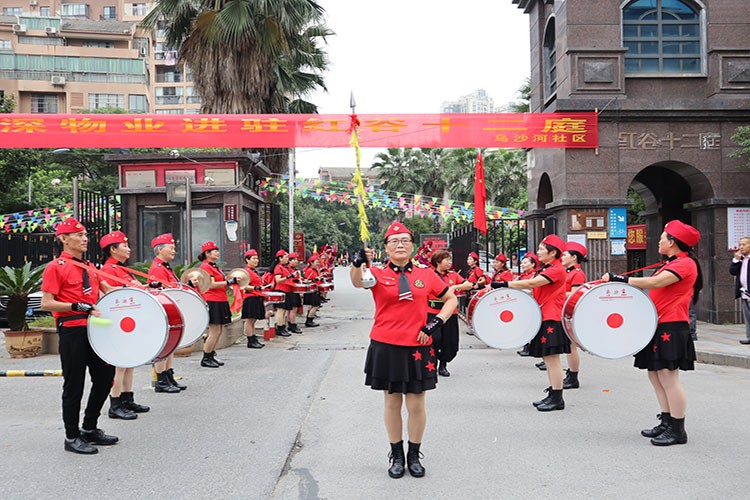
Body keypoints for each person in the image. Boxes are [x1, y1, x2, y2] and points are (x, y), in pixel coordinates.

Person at [351, 221, 457, 479]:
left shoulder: (426, 274)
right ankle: (396, 454)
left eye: (405, 241)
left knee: (417, 403)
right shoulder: (375, 272)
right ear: (386, 247)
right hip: (386, 344)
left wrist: (435, 323)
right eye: (394, 241)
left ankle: (414, 454)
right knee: (391, 401)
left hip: (418, 346)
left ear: (412, 246)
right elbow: (358, 284)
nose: (400, 245)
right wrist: (356, 264)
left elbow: (450, 298)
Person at [603, 220, 702, 446]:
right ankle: (666, 421)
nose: (659, 241)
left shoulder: (685, 264)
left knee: (668, 377)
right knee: (655, 375)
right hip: (658, 324)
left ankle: (678, 429)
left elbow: (655, 283)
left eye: (662, 237)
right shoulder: (671, 262)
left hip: (672, 326)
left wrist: (621, 279)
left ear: (674, 242)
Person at [41, 217, 118, 455]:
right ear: (63, 239)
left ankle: (89, 428)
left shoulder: (90, 267)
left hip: (96, 329)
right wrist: (78, 306)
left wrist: (142, 289)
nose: (85, 238)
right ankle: (71, 436)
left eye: (85, 234)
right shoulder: (56, 267)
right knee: (74, 385)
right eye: (78, 235)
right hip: (73, 330)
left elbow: (110, 290)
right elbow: (47, 303)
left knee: (106, 377)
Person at [491, 234, 570, 411]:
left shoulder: (556, 269)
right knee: (548, 359)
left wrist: (502, 284)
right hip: (544, 315)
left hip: (552, 317)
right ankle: (553, 393)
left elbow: (533, 283)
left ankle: (558, 398)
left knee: (552, 359)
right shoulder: (549, 267)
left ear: (553, 252)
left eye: (542, 249)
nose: (538, 252)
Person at [99, 231, 150, 419]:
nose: (129, 249)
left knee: (129, 362)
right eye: (124, 246)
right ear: (113, 249)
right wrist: (129, 288)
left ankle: (128, 399)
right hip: (117, 323)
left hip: (129, 321)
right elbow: (110, 294)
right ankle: (115, 403)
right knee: (120, 364)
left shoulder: (122, 269)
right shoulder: (108, 270)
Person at [148, 233, 186, 392]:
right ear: (160, 250)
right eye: (171, 248)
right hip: (163, 311)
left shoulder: (165, 267)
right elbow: (159, 291)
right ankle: (161, 380)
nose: (174, 251)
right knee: (164, 347)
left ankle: (168, 376)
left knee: (170, 346)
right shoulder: (157, 268)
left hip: (170, 311)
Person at [428, 249, 473, 377]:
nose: (449, 262)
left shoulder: (453, 275)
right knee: (434, 339)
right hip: (433, 312)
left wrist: (455, 287)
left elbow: (469, 285)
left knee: (450, 342)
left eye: (450, 259)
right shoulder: (429, 274)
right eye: (447, 260)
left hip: (450, 313)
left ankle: (443, 364)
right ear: (438, 261)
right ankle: (433, 363)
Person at [198, 241, 235, 368]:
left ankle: (211, 354)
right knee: (214, 330)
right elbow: (211, 284)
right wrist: (228, 282)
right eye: (214, 251)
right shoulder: (205, 267)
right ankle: (206, 357)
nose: (217, 253)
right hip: (212, 300)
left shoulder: (214, 266)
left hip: (220, 299)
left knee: (218, 330)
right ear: (207, 253)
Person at [562, 241, 588, 390]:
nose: (562, 257)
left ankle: (573, 376)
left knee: (571, 346)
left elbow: (574, 294)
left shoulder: (577, 274)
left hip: (571, 311)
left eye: (565, 255)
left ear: (574, 257)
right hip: (565, 310)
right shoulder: (568, 272)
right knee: (568, 345)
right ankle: (571, 374)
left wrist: (556, 294)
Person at [516, 253, 540, 357]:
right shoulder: (522, 276)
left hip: (531, 303)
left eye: (525, 262)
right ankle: (526, 345)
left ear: (533, 264)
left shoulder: (535, 276)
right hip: (522, 303)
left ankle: (530, 346)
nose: (522, 264)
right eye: (522, 262)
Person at [241, 249, 266, 349]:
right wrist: (255, 288)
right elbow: (243, 285)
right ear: (247, 260)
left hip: (256, 297)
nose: (256, 260)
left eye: (257, 258)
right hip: (250, 298)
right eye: (254, 258)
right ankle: (250, 340)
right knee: (250, 320)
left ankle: (254, 338)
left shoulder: (253, 271)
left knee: (253, 320)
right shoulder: (246, 272)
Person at [730, 236, 750, 344]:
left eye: (744, 244)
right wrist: (736, 260)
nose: (741, 247)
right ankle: (749, 336)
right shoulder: (741, 259)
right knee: (747, 317)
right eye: (740, 245)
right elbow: (732, 272)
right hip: (744, 293)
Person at [271, 250, 294, 337]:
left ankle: (282, 326)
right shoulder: (278, 267)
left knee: (284, 310)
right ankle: (279, 327)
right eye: (286, 257)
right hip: (281, 290)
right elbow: (278, 280)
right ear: (280, 258)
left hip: (286, 290)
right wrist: (288, 277)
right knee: (280, 310)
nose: (288, 259)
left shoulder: (284, 267)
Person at [302, 254, 322, 327]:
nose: (318, 264)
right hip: (311, 290)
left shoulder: (315, 270)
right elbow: (306, 280)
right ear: (311, 263)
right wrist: (314, 280)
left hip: (314, 289)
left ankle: (309, 319)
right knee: (315, 306)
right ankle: (309, 321)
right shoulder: (310, 270)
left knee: (314, 306)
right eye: (316, 262)